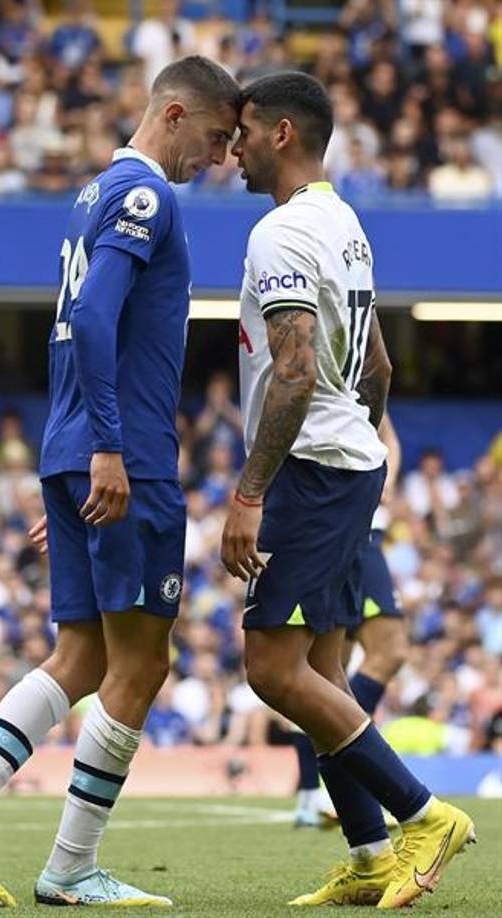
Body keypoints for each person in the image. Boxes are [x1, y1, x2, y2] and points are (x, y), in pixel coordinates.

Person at [0, 55, 240, 908]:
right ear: (171, 115)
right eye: (211, 137)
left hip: (77, 448)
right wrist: (108, 447)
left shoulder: (92, 195)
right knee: (142, 663)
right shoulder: (146, 198)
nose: (216, 157)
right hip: (121, 451)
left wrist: (73, 456)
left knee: (82, 653)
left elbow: (76, 321)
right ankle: (69, 865)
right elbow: (92, 316)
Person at [222, 71, 475, 909]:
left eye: (246, 132)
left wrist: (250, 493)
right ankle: (369, 856)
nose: (234, 149)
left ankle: (423, 815)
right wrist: (364, 443)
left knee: (270, 668)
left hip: (308, 469)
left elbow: (294, 377)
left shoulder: (281, 234)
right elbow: (376, 363)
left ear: (284, 133)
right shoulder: (346, 224)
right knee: (324, 669)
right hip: (344, 463)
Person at [293, 411, 409, 828]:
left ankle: (317, 791)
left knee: (334, 670)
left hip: (358, 517)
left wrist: (386, 482)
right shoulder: (318, 359)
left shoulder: (360, 358)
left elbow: (388, 436)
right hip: (344, 519)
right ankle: (327, 787)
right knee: (352, 663)